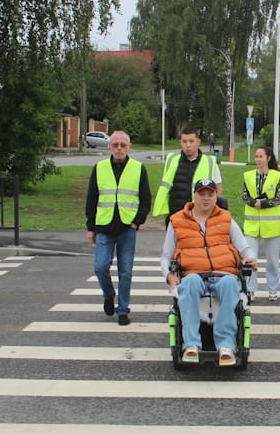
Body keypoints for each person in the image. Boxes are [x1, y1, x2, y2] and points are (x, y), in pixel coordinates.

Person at [160, 178, 257, 367]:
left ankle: (226, 346)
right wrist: (169, 276)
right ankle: (191, 345)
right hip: (193, 274)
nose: (206, 198)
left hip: (223, 274)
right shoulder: (177, 221)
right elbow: (165, 257)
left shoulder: (226, 219)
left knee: (230, 283)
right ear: (194, 196)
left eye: (210, 194)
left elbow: (245, 248)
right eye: (201, 194)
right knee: (190, 282)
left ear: (216, 197)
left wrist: (250, 258)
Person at [85, 130, 151, 325]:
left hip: (127, 227)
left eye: (123, 145)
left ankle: (123, 310)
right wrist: (91, 227)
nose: (119, 148)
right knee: (100, 267)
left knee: (125, 272)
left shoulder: (138, 168)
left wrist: (137, 221)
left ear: (129, 147)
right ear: (109, 147)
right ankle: (108, 294)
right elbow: (92, 199)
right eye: (115, 145)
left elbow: (145, 199)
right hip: (104, 226)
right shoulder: (100, 168)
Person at [152, 126, 223, 225]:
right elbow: (166, 188)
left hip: (200, 219)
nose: (188, 145)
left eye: (191, 141)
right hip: (175, 217)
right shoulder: (172, 160)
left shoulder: (210, 162)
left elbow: (218, 191)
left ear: (198, 142)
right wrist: (167, 215)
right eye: (184, 142)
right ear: (180, 142)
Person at [242, 145, 280, 301]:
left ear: (268, 158)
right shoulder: (247, 176)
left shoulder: (278, 176)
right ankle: (250, 289)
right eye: (256, 156)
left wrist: (264, 204)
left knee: (272, 260)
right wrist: (254, 203)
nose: (258, 159)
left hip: (271, 225)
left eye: (261, 156)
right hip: (251, 225)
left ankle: (273, 289)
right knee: (250, 258)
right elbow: (245, 196)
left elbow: (279, 198)